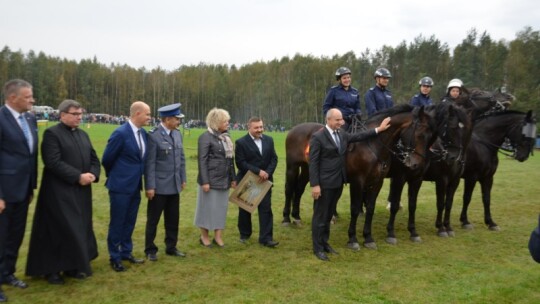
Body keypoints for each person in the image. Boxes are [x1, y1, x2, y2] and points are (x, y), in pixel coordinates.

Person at [25, 99, 100, 284]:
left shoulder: (83, 134)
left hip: (81, 192)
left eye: (81, 114)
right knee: (58, 230)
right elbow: (52, 162)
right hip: (58, 192)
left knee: (79, 227)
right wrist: (77, 176)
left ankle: (72, 265)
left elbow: (94, 158)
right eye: (75, 114)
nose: (79, 117)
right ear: (63, 114)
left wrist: (93, 173)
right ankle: (51, 270)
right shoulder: (52, 134)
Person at [309, 108, 391, 261]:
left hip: (338, 182)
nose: (342, 122)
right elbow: (313, 163)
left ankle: (325, 243)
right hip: (324, 184)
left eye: (341, 119)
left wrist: (378, 129)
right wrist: (315, 185)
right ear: (329, 120)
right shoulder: (318, 137)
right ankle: (317, 248)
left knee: (328, 216)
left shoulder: (342, 134)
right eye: (338, 120)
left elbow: (359, 135)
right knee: (320, 216)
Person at [102, 101, 151, 272]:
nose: (149, 117)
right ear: (137, 113)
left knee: (130, 221)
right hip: (120, 187)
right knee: (118, 222)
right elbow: (107, 159)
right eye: (147, 114)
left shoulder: (143, 134)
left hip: (135, 186)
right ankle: (114, 256)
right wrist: (117, 176)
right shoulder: (120, 133)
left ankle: (126, 252)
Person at [0, 79, 37, 302]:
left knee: (15, 235)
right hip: (4, 192)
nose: (32, 100)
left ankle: (7, 273)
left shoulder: (30, 119)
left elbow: (30, 156)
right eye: (27, 97)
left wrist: (31, 185)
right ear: (12, 98)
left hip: (23, 190)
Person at [144, 103, 187, 261]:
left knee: (173, 219)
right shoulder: (154, 136)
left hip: (174, 185)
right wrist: (150, 186)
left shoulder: (177, 134)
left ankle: (171, 246)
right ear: (167, 119)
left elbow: (181, 159)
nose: (178, 122)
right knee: (153, 220)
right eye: (176, 119)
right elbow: (150, 163)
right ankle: (150, 249)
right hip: (159, 187)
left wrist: (183, 178)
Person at [194, 108, 236, 248]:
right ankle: (204, 236)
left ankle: (218, 237)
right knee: (206, 209)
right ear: (216, 122)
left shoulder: (226, 138)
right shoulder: (205, 137)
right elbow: (202, 160)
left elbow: (230, 160)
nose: (228, 123)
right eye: (225, 121)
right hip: (210, 181)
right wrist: (205, 181)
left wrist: (233, 178)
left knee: (221, 209)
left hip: (224, 180)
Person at [235, 117, 279, 247]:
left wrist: (267, 173)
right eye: (256, 128)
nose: (260, 130)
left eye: (261, 127)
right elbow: (240, 162)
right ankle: (245, 234)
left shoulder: (269, 140)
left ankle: (266, 238)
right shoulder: (241, 142)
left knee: (265, 209)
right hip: (248, 179)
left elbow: (274, 159)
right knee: (245, 209)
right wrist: (258, 171)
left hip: (265, 181)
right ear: (249, 127)